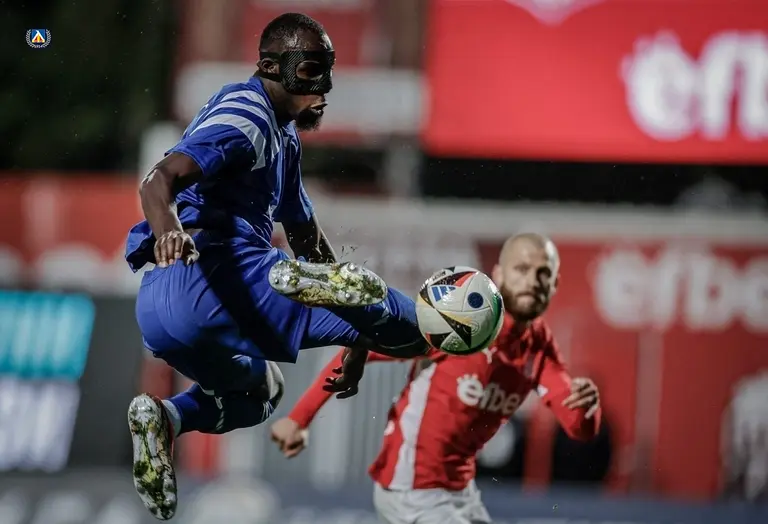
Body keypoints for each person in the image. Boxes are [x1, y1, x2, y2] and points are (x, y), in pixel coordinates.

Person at [124, 13, 425, 520]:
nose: (324, 86)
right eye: (310, 70)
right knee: (413, 327)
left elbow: (306, 235)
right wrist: (169, 229)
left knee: (260, 393)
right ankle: (311, 288)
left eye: (328, 70)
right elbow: (158, 179)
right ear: (270, 67)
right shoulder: (246, 115)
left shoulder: (281, 137)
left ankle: (165, 418)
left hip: (163, 315)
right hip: (218, 278)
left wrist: (356, 339)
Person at [271, 234, 603, 524]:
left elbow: (578, 427)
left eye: (544, 273)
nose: (533, 280)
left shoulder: (538, 345)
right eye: (522, 269)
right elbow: (364, 348)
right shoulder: (461, 324)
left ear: (555, 285)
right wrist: (299, 418)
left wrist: (587, 408)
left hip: (459, 490)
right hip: (411, 487)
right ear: (499, 274)